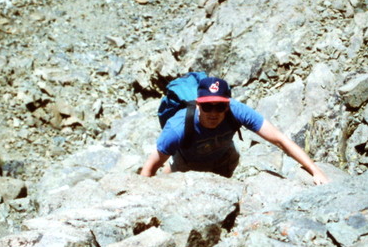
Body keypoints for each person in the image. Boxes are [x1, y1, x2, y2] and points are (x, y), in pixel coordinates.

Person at [140, 76, 330, 185]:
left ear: (227, 105)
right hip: (187, 166)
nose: (213, 113)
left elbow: (280, 139)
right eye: (208, 107)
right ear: (198, 105)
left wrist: (315, 170)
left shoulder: (236, 110)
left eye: (220, 106)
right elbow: (149, 168)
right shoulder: (177, 127)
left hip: (224, 160)